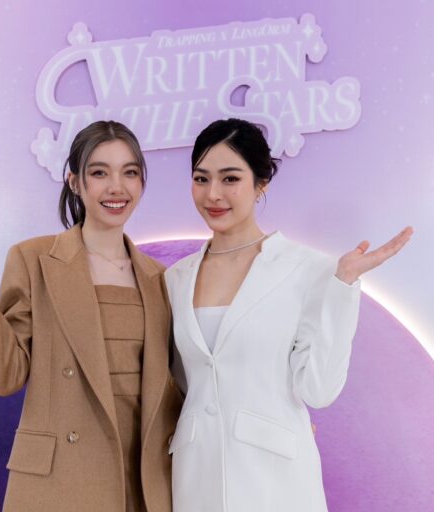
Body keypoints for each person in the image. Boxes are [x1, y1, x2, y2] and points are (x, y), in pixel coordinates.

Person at [0, 120, 183, 512]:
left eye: (129, 172)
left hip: (143, 483)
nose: (117, 187)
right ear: (74, 182)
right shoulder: (34, 259)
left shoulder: (160, 279)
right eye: (99, 173)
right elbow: (7, 374)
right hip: (62, 481)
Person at [164, 118, 413, 512]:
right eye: (201, 178)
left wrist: (343, 285)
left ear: (261, 183)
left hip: (275, 481)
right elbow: (179, 382)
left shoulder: (306, 269)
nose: (213, 194)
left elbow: (318, 389)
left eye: (230, 179)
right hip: (196, 478)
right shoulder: (175, 279)